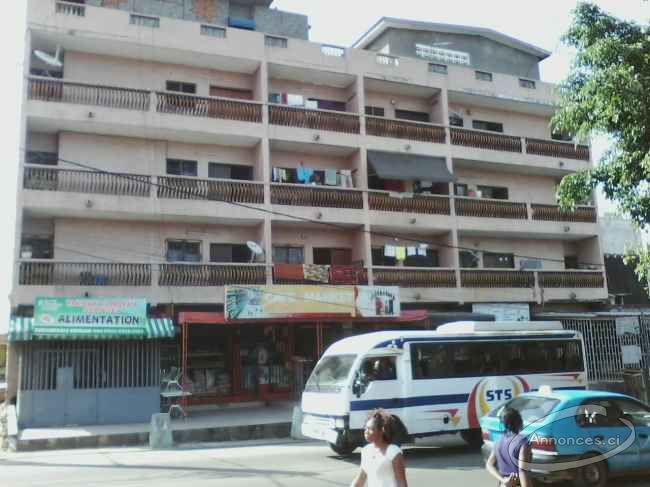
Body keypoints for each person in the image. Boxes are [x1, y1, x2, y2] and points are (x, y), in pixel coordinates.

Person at [350, 409, 408, 487]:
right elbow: (360, 479)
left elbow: (402, 483)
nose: (366, 432)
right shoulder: (366, 450)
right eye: (366, 428)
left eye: (370, 429)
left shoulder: (393, 451)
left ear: (382, 431)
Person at [486, 407, 533, 487]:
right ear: (519, 422)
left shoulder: (498, 441)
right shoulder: (523, 442)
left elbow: (489, 464)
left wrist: (503, 480)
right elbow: (522, 471)